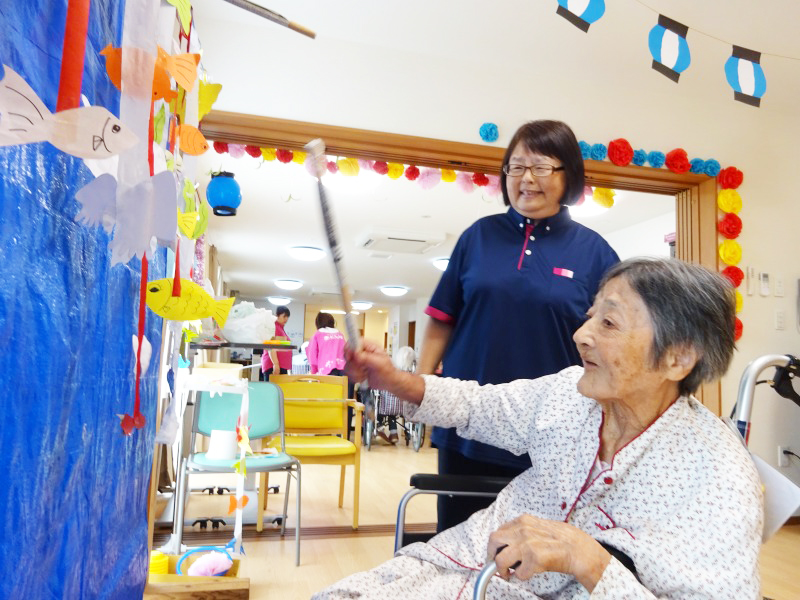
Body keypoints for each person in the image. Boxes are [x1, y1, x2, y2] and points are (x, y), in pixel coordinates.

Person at [315, 258, 762, 599]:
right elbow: (476, 406)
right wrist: (395, 380)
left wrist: (586, 559)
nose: (581, 335)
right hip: (461, 559)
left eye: (608, 322)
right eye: (591, 317)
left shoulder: (718, 476)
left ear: (678, 359)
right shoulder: (570, 394)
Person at [418, 120, 619, 530]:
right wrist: (422, 390)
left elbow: (613, 340)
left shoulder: (596, 253)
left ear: (569, 177)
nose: (526, 178)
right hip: (467, 424)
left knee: (537, 560)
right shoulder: (477, 237)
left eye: (541, 167)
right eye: (516, 166)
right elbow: (442, 320)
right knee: (457, 542)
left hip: (554, 432)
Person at [260, 305, 291, 380]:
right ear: (277, 315)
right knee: (272, 390)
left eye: (287, 317)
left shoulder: (280, 328)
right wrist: (276, 364)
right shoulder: (273, 327)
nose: (286, 319)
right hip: (274, 366)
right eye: (284, 316)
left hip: (280, 366)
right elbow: (271, 347)